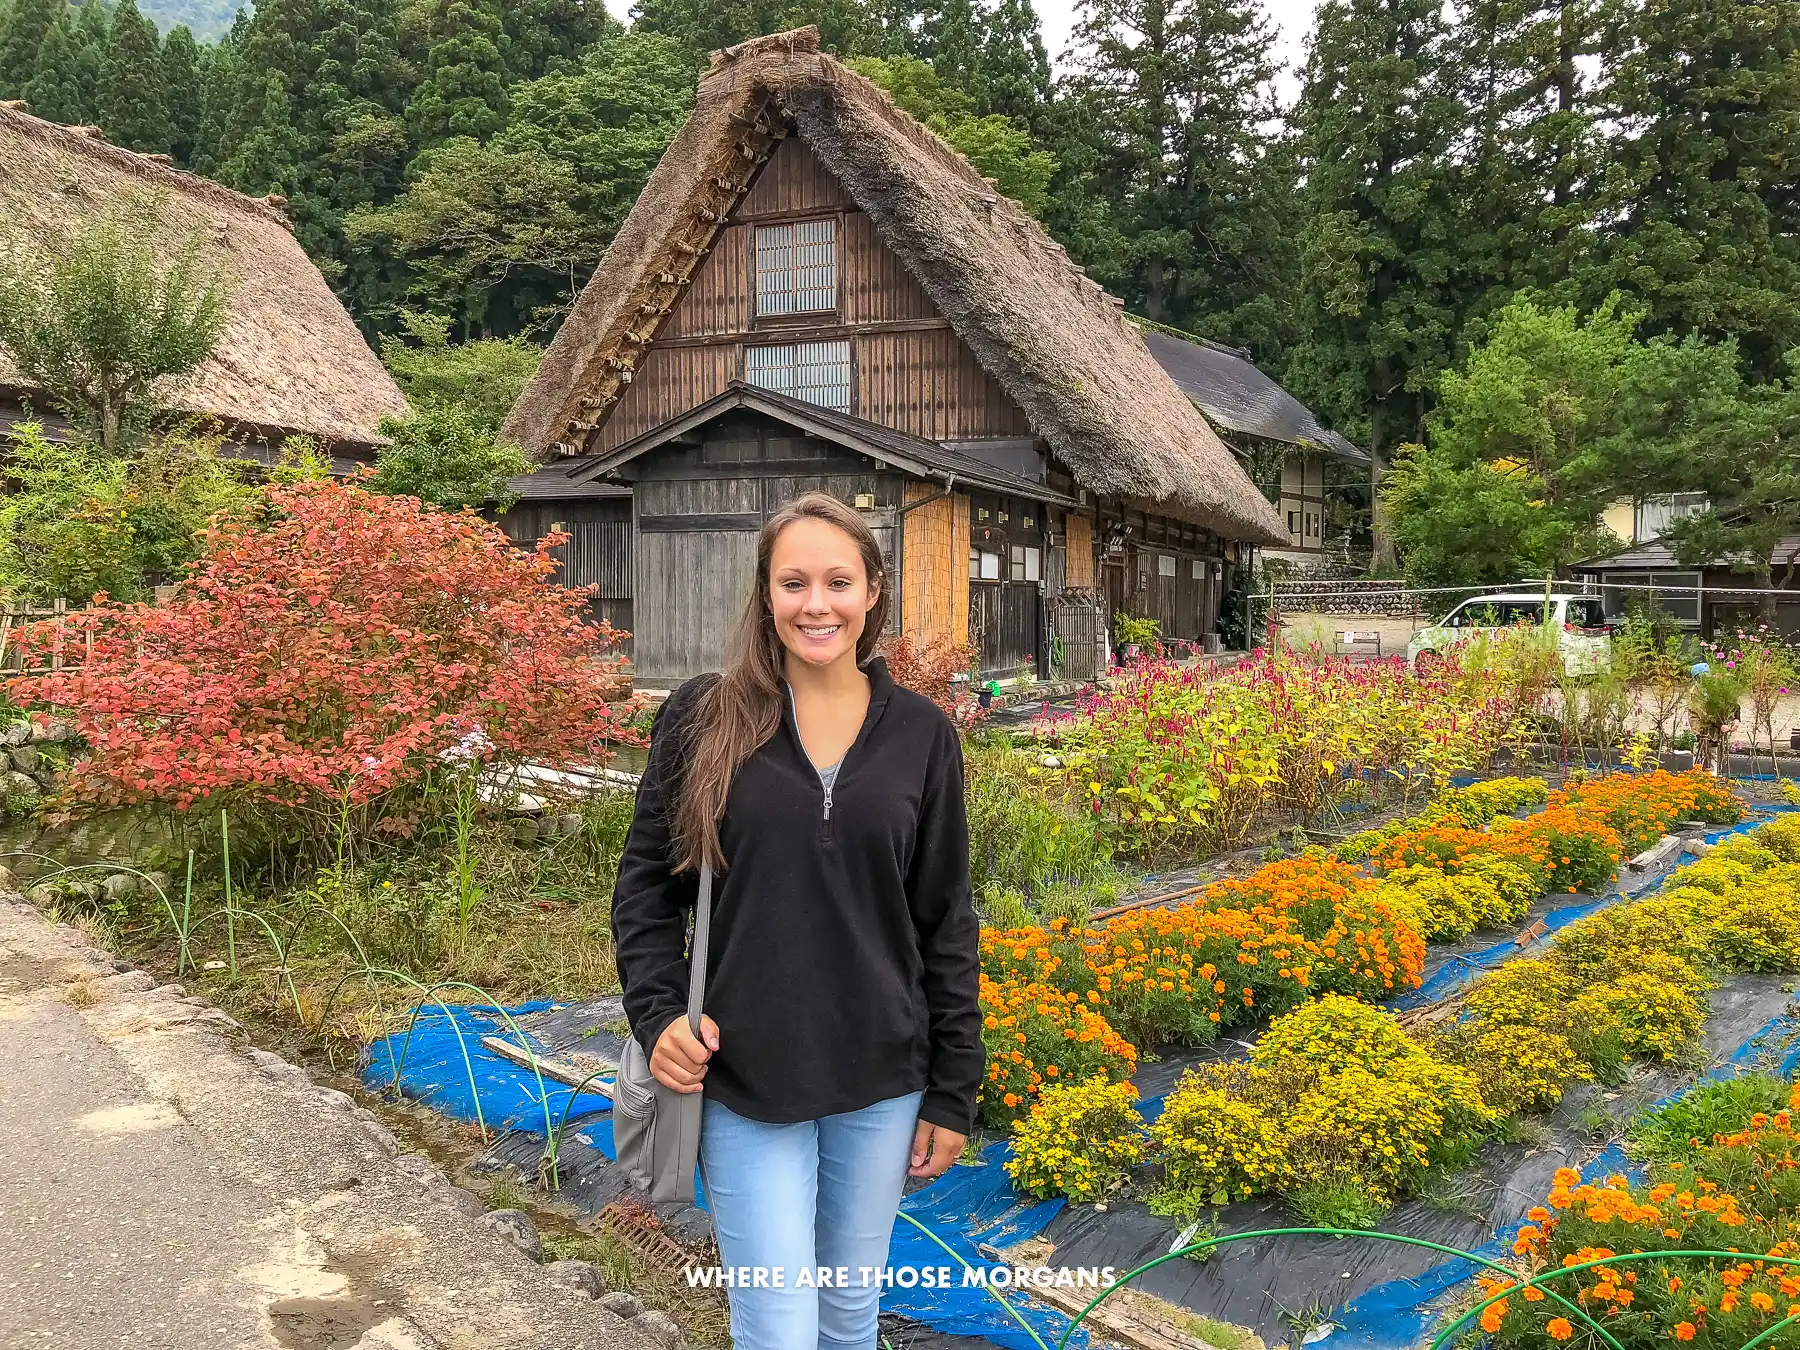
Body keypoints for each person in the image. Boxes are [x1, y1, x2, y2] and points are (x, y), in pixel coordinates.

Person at [611, 491, 982, 1350]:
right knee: (777, 1327)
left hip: (882, 1079)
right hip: (746, 1077)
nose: (816, 604)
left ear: (874, 591)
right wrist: (660, 1013)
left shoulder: (923, 736)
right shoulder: (704, 718)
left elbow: (946, 919)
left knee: (848, 1319)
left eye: (838, 581)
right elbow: (644, 890)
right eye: (794, 583)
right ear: (766, 595)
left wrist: (952, 1090)